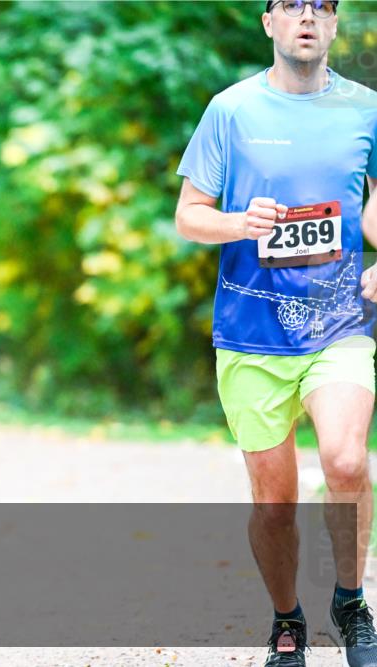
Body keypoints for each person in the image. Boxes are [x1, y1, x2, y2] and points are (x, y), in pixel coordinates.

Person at [175, 1, 377, 664]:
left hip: (340, 318)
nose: (308, 16)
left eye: (323, 4)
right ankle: (287, 620)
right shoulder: (230, 111)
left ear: (336, 24)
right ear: (269, 22)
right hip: (251, 327)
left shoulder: (366, 108)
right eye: (292, 4)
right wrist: (240, 222)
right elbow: (189, 216)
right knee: (275, 503)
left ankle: (350, 600)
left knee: (347, 460)